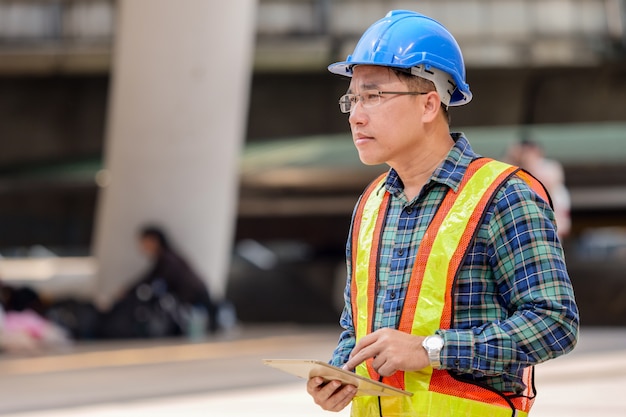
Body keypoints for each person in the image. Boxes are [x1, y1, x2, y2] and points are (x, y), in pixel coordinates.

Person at [306, 10, 579, 417]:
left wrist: (431, 350)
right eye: (353, 98)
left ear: (429, 104)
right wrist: (343, 371)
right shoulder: (371, 204)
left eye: (374, 96)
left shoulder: (503, 196)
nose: (356, 115)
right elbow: (357, 328)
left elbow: (555, 323)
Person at [99, 225, 220, 338]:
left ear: (154, 240)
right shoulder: (166, 257)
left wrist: (127, 291)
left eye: (144, 242)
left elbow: (152, 279)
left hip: (194, 298)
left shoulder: (167, 259)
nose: (142, 246)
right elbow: (149, 278)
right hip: (191, 299)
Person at [504, 138, 572, 239]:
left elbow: (547, 183)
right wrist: (513, 155)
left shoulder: (548, 166)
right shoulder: (512, 166)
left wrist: (528, 161)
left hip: (549, 226)